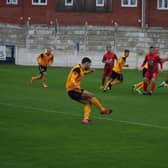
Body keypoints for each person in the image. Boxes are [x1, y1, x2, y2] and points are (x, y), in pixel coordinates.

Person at [66, 57, 112, 124]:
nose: (90, 66)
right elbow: (72, 79)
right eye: (89, 65)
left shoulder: (80, 68)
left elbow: (82, 73)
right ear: (86, 63)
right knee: (91, 95)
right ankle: (102, 110)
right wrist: (75, 84)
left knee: (88, 103)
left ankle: (86, 119)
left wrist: (90, 71)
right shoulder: (77, 69)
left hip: (71, 92)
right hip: (73, 90)